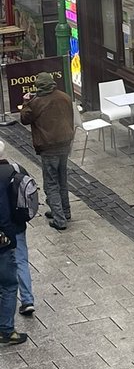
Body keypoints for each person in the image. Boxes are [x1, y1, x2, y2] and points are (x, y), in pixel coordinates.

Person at [19, 72, 78, 231]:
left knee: (51, 183)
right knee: (62, 180)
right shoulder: (64, 97)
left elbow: (24, 119)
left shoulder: (36, 102)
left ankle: (59, 219)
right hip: (64, 143)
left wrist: (26, 103)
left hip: (48, 147)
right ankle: (65, 211)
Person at [0, 142, 33, 317]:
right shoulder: (16, 169)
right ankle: (27, 300)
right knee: (21, 261)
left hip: (2, 229)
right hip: (18, 224)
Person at [0, 149, 26, 346]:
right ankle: (6, 330)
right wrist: (11, 238)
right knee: (9, 285)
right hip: (2, 244)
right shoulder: (9, 172)